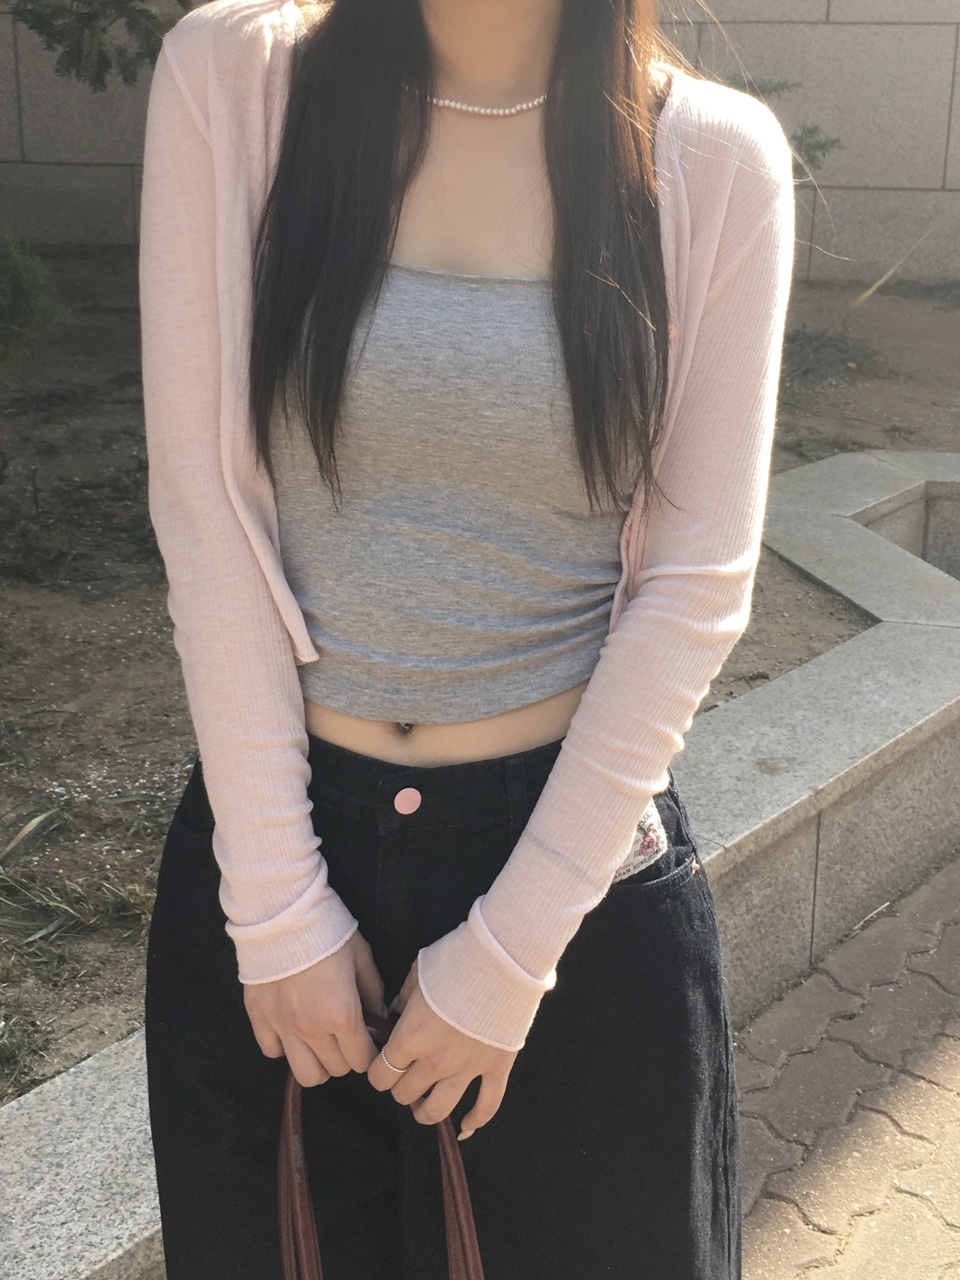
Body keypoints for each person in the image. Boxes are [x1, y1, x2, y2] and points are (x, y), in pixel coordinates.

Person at [139, 0, 794, 1275]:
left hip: (568, 877)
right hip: (286, 848)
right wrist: (276, 906)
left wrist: (507, 956)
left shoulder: (713, 158)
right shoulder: (235, 80)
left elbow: (697, 585)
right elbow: (204, 511)